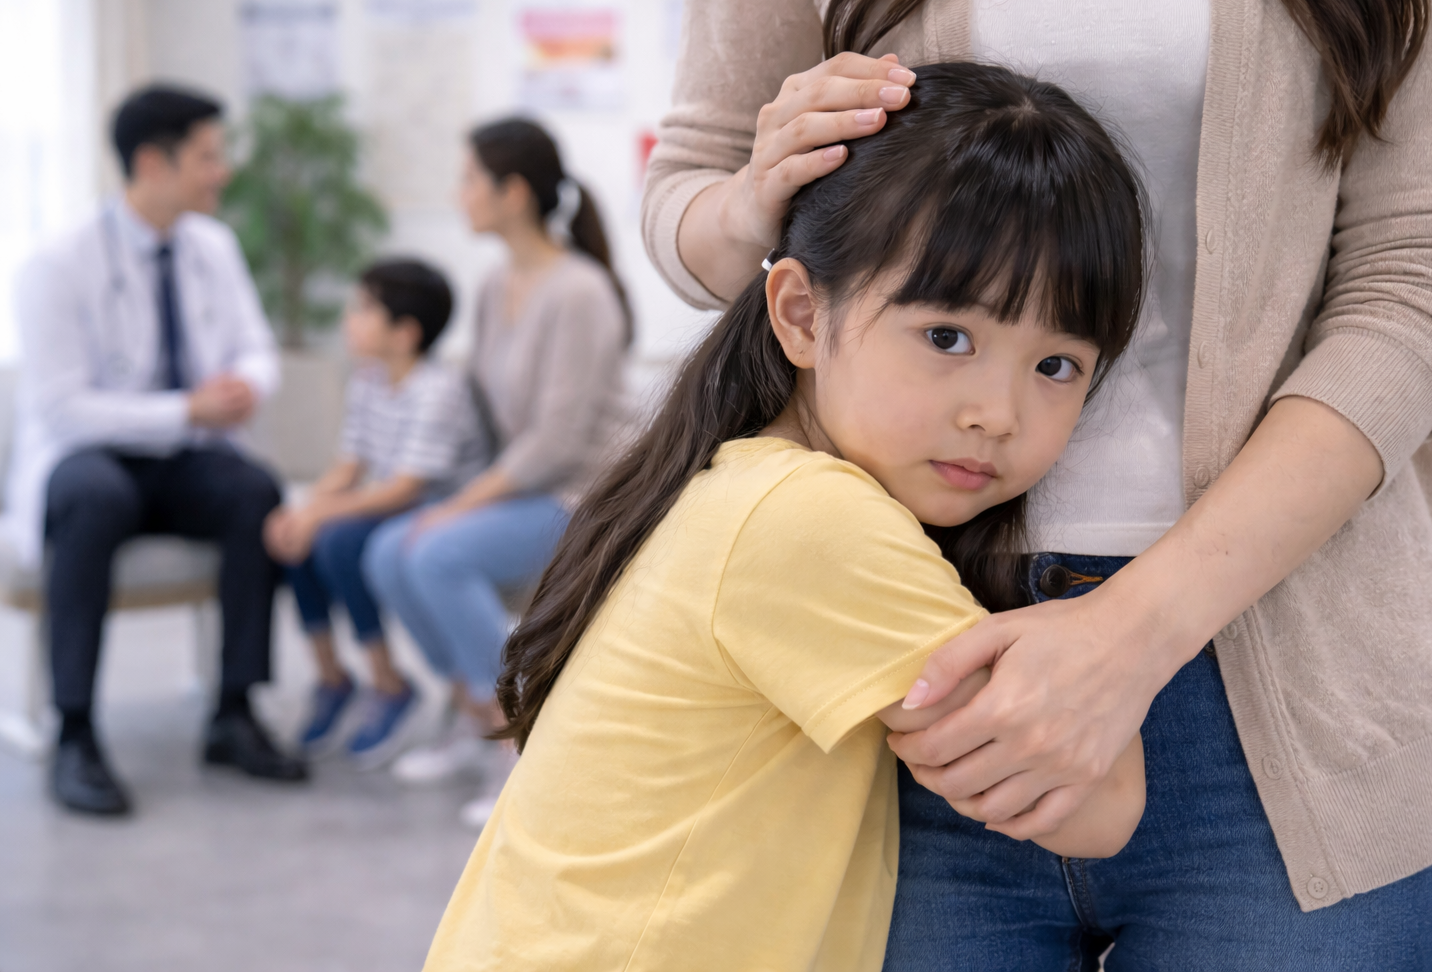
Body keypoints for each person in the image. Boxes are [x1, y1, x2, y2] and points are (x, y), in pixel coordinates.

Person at [643, 0, 1432, 966]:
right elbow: (691, 198)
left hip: (1298, 697)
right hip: (895, 664)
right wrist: (755, 193)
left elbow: (1429, 279)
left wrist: (1131, 636)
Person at [424, 62, 1148, 972]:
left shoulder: (732, 483)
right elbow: (1102, 802)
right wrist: (1115, 631)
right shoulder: (808, 520)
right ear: (801, 314)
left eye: (1057, 366)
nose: (996, 413)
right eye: (947, 337)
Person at [8, 84, 308, 817]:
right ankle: (75, 731)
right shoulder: (57, 262)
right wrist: (187, 409)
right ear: (152, 161)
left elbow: (256, 350)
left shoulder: (213, 246)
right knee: (94, 495)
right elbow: (63, 407)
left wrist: (243, 385)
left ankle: (233, 712)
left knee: (254, 492)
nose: (222, 171)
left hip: (183, 449)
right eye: (208, 156)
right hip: (92, 453)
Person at [364, 118, 630, 827]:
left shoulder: (580, 291)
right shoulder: (491, 287)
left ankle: (520, 735)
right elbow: (485, 416)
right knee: (388, 550)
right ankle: (469, 713)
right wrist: (450, 492)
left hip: (582, 498)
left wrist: (457, 509)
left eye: (469, 179)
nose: (460, 194)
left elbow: (557, 441)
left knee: (436, 549)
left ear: (512, 193)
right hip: (521, 488)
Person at [264, 259, 487, 764]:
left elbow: (406, 488)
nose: (350, 320)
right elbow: (351, 462)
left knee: (338, 542)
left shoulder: (438, 387)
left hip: (437, 507)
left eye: (364, 310)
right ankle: (332, 677)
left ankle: (389, 683)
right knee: (296, 541)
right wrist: (303, 510)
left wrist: (323, 516)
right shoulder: (368, 378)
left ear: (405, 333)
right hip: (393, 500)